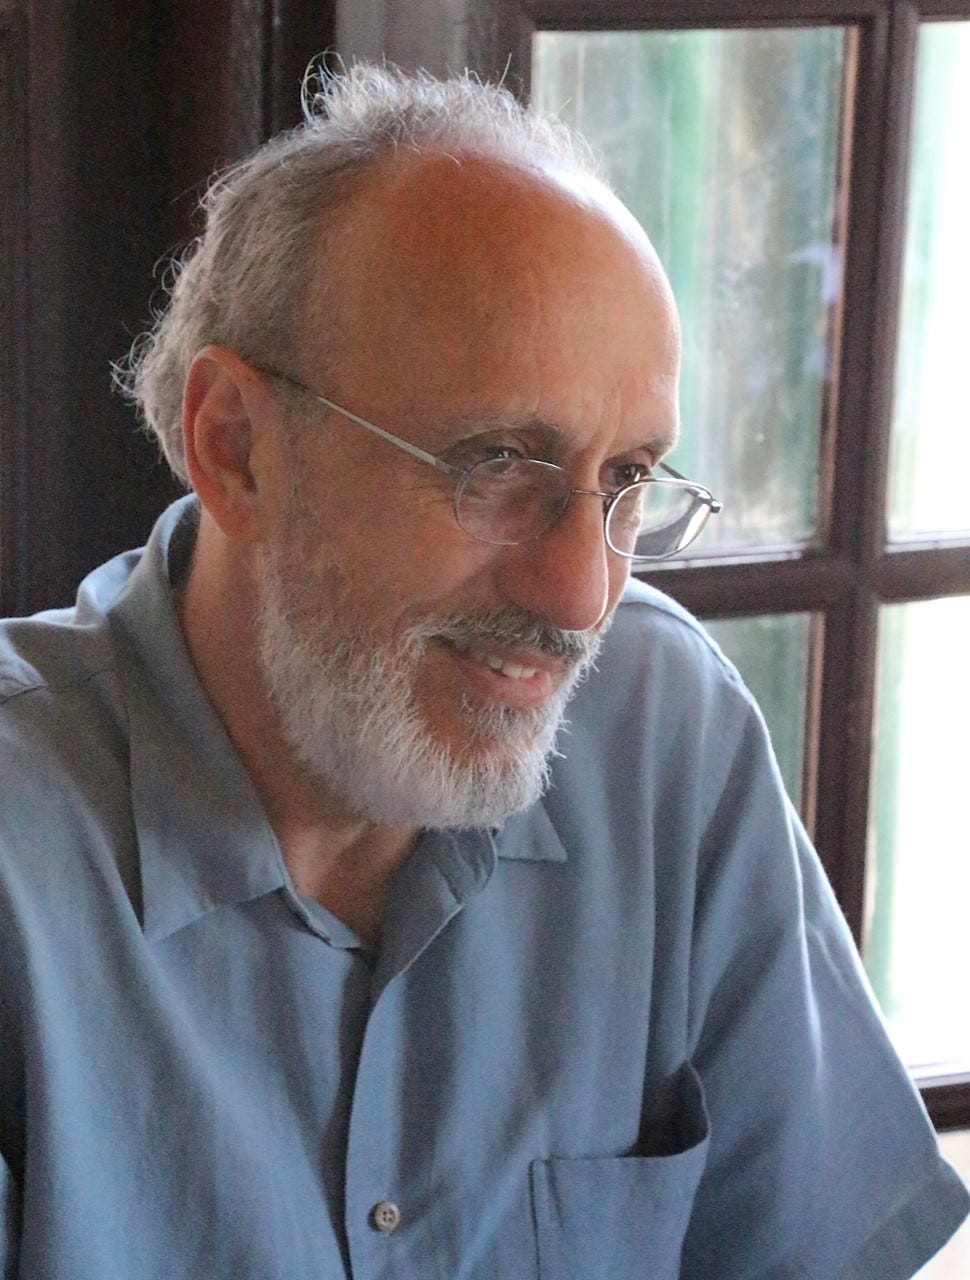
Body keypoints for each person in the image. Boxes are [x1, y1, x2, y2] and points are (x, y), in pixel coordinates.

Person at [0, 63, 966, 1280]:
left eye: (627, 480)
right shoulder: (23, 853)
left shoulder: (663, 732)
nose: (581, 595)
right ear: (236, 447)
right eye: (498, 464)